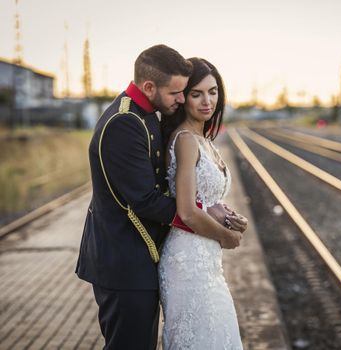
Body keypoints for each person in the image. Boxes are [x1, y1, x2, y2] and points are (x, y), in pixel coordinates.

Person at [75, 45, 243, 350]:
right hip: (122, 260)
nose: (181, 100)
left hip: (142, 257)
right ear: (149, 86)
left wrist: (213, 208)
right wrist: (209, 219)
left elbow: (168, 186)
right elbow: (145, 200)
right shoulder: (124, 122)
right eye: (177, 93)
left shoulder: (148, 114)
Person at [159, 57, 247, 349]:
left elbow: (208, 201)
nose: (207, 101)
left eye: (212, 92)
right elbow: (186, 210)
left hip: (207, 261)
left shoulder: (206, 140)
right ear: (183, 98)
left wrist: (232, 219)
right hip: (187, 262)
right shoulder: (185, 140)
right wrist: (227, 237)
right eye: (197, 94)